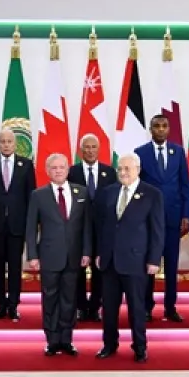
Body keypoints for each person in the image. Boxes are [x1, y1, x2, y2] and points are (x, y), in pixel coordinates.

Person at [94, 154, 163, 362]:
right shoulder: (108, 192)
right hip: (109, 261)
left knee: (137, 307)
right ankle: (109, 344)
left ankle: (140, 346)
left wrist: (154, 259)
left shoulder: (152, 194)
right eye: (120, 169)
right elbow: (101, 226)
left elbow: (157, 230)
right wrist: (99, 252)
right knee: (109, 307)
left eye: (127, 169)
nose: (123, 172)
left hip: (137, 261)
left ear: (138, 170)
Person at [26, 153, 91, 356]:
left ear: (68, 169)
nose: (58, 171)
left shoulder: (82, 192)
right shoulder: (38, 195)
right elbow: (30, 228)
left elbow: (87, 226)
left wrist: (87, 251)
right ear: (47, 171)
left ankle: (67, 339)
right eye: (54, 168)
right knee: (50, 298)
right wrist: (32, 255)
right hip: (49, 256)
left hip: (74, 256)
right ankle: (52, 340)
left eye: (62, 167)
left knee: (69, 299)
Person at [136, 114, 189, 322]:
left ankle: (170, 307)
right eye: (156, 126)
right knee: (149, 264)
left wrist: (187, 214)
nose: (160, 129)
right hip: (148, 219)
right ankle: (146, 306)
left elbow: (185, 185)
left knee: (171, 265)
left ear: (169, 129)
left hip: (173, 217)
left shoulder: (178, 152)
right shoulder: (139, 153)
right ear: (151, 129)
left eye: (164, 126)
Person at [0, 129, 35, 321]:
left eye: (9, 141)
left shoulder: (27, 165)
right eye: (2, 141)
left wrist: (31, 226)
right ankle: (0, 305)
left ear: (15, 144)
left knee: (14, 267)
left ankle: (13, 305)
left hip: (17, 225)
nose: (6, 144)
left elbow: (31, 197)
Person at [73, 134, 117, 321]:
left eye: (93, 147)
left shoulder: (110, 172)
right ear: (80, 150)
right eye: (87, 147)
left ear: (99, 150)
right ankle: (81, 307)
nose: (90, 150)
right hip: (78, 229)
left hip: (102, 230)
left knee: (100, 270)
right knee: (78, 270)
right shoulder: (71, 172)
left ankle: (95, 307)